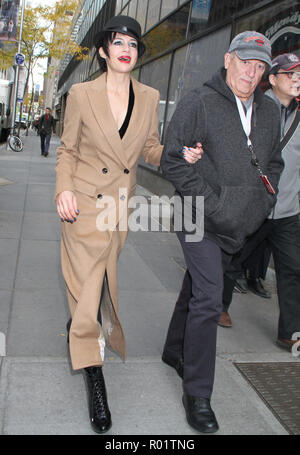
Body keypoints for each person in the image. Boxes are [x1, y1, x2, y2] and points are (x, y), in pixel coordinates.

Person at [55, 16, 202, 434]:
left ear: (138, 53)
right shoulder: (82, 94)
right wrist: (62, 190)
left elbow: (151, 149)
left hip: (118, 208)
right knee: (86, 285)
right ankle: (94, 376)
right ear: (103, 50)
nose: (126, 49)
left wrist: (179, 155)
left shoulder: (150, 95)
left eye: (133, 44)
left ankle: (81, 324)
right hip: (82, 204)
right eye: (117, 42)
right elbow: (67, 150)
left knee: (98, 280)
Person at [160, 31, 284, 434]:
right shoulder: (199, 101)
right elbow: (172, 160)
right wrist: (212, 203)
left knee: (197, 287)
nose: (252, 71)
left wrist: (264, 202)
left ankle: (174, 350)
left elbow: (274, 162)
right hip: (198, 215)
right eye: (245, 61)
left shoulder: (269, 112)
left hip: (240, 223)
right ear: (228, 59)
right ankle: (197, 394)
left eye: (260, 65)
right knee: (211, 298)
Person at [220, 53, 300, 351]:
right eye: (290, 74)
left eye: (299, 75)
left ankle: (290, 332)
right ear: (274, 79)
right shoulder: (254, 109)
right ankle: (219, 305)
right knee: (233, 258)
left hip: (288, 209)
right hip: (255, 207)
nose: (296, 80)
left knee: (292, 270)